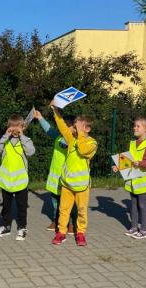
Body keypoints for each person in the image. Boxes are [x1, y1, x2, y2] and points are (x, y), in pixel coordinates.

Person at [49, 101, 97, 246]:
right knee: (63, 210)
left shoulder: (92, 143)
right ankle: (61, 232)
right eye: (75, 125)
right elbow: (62, 127)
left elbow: (82, 150)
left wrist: (80, 134)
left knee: (82, 210)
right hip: (67, 183)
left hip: (82, 185)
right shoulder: (72, 139)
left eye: (78, 125)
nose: (75, 127)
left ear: (87, 129)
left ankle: (81, 233)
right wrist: (55, 110)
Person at [112, 117, 146, 239]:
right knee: (133, 205)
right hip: (132, 178)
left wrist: (142, 164)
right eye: (134, 125)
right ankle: (134, 228)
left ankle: (144, 231)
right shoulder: (133, 143)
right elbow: (129, 159)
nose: (134, 128)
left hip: (144, 178)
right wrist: (119, 166)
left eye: (138, 126)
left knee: (142, 205)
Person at [33, 109, 77, 234]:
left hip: (67, 178)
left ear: (73, 128)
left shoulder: (74, 141)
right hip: (55, 178)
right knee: (55, 201)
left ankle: (72, 224)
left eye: (66, 126)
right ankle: (56, 220)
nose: (62, 129)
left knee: (70, 203)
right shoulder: (58, 137)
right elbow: (49, 130)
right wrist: (40, 118)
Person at [0, 114, 35, 241]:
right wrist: (6, 135)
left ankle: (22, 227)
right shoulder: (5, 140)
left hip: (20, 181)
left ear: (23, 127)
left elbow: (31, 152)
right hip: (7, 181)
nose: (15, 130)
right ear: (8, 127)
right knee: (6, 206)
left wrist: (21, 136)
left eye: (18, 127)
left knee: (21, 206)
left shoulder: (25, 140)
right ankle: (6, 226)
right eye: (13, 127)